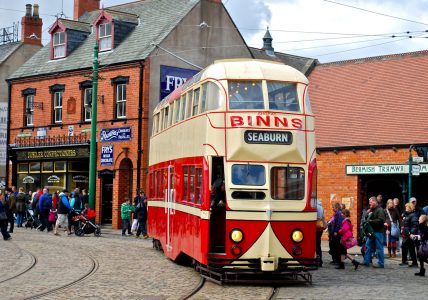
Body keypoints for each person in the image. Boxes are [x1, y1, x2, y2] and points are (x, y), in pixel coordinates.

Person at [363, 196, 386, 268]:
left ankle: (381, 263)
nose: (369, 203)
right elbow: (366, 218)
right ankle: (366, 261)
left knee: (379, 248)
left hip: (378, 231)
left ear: (375, 202)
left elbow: (381, 220)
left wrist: (372, 221)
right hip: (372, 232)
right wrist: (367, 214)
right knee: (368, 246)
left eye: (370, 202)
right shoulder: (372, 210)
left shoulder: (380, 210)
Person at [399, 202, 419, 267]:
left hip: (409, 234)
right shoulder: (407, 215)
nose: (406, 208)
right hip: (407, 234)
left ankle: (405, 262)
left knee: (404, 246)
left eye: (407, 207)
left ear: (410, 208)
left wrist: (411, 233)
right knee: (411, 248)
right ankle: (414, 263)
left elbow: (415, 225)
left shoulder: (413, 215)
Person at [316, 199, 326, 267]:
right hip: (320, 227)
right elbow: (323, 217)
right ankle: (320, 260)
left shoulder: (315, 206)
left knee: (315, 244)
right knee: (318, 244)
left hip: (315, 226)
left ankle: (317, 260)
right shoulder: (321, 207)